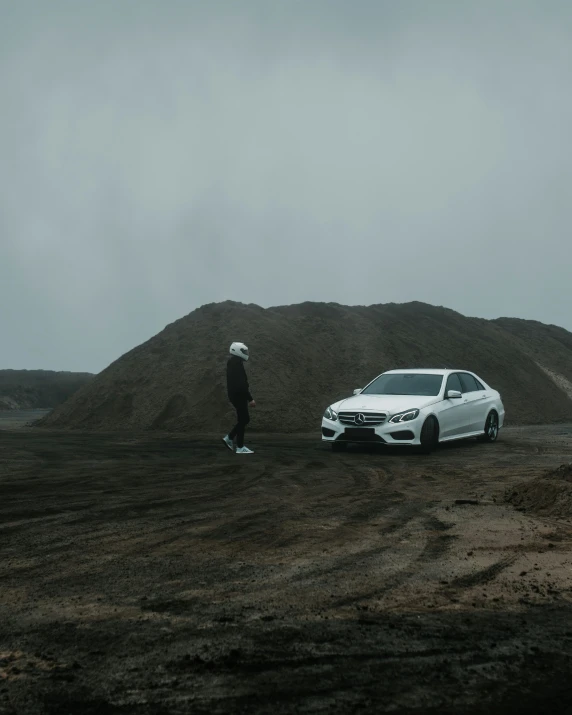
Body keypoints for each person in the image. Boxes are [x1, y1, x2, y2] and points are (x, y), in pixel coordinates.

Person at [223, 342, 256, 454]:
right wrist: (250, 398)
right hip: (239, 395)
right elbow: (241, 384)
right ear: (237, 351)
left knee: (243, 419)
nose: (246, 353)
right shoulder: (236, 364)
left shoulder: (233, 362)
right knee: (244, 419)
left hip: (235, 395)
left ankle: (235, 442)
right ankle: (233, 441)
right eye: (244, 351)